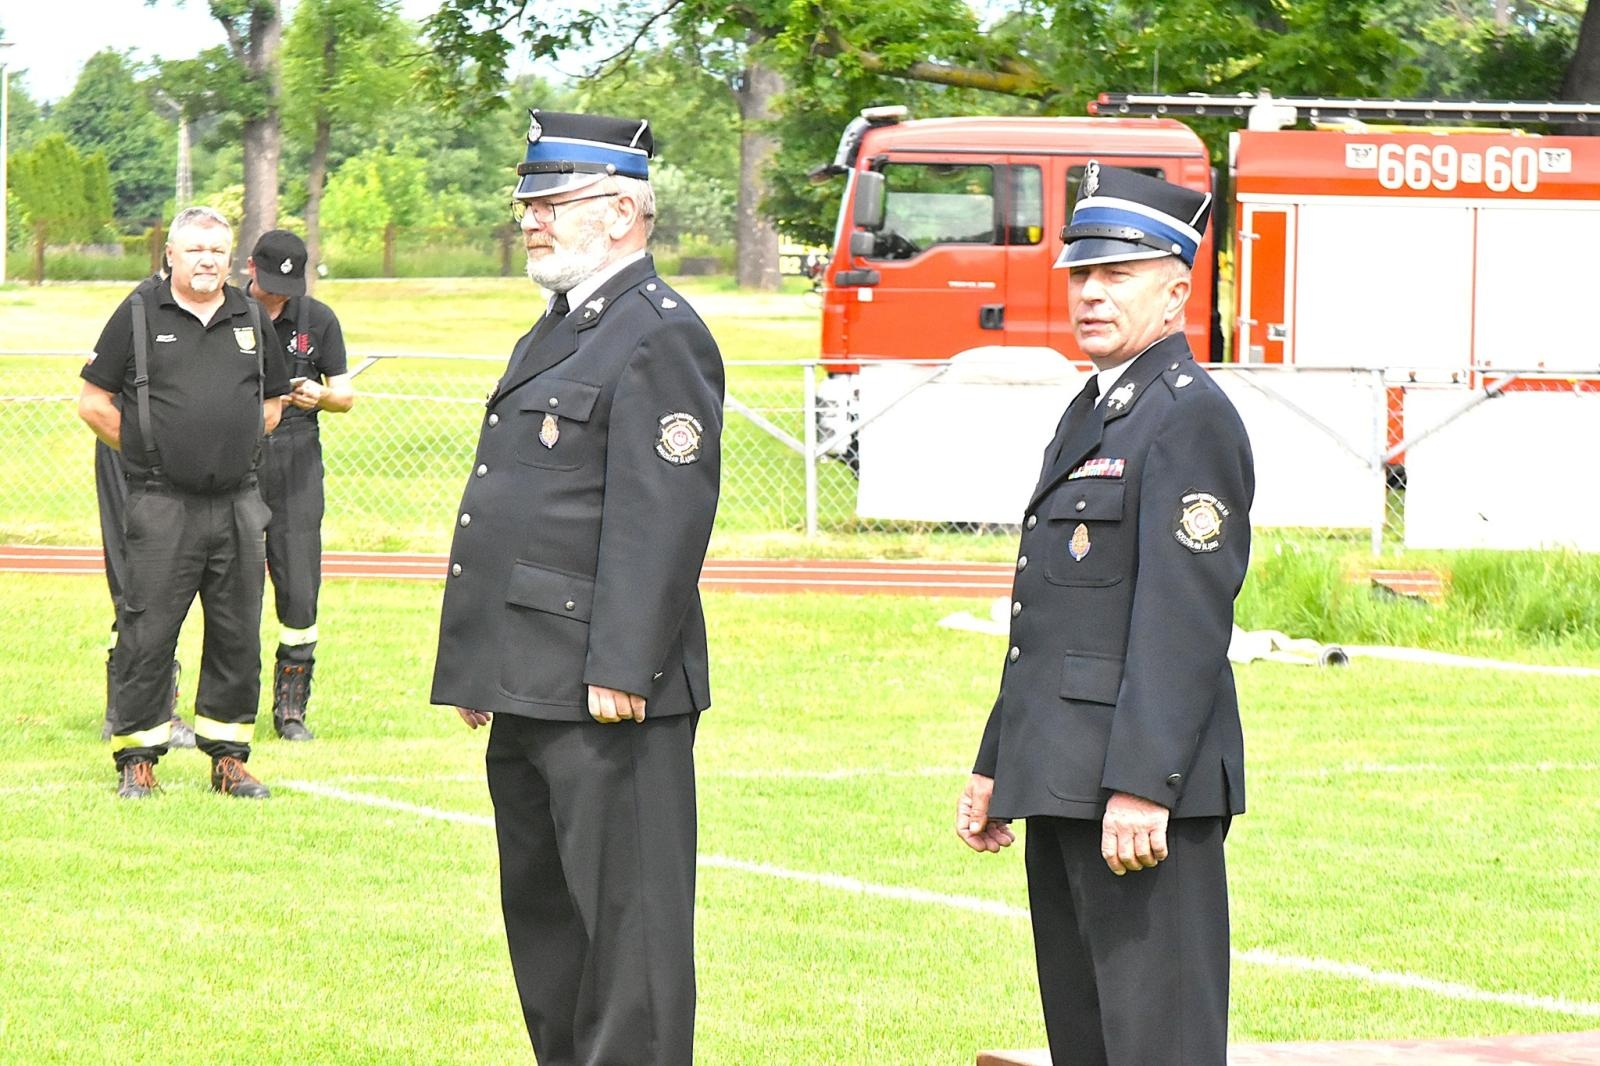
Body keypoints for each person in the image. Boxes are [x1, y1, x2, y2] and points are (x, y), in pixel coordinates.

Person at [431, 109, 723, 1065]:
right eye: (529, 203)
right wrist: (483, 666)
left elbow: (664, 519)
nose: (531, 220)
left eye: (552, 202)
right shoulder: (559, 328)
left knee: (628, 944)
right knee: (549, 933)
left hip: (607, 695)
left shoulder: (658, 333)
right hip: (530, 681)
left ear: (622, 213)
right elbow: (516, 509)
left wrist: (625, 666)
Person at [956, 163, 1255, 1065]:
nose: (1090, 292)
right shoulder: (1094, 412)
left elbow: (1183, 621)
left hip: (1135, 792)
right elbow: (1049, 620)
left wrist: (1142, 785)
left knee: (1155, 1042)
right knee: (1085, 1040)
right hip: (1060, 775)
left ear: (1176, 288)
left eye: (1117, 273)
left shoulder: (1188, 417)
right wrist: (994, 764)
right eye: (1081, 273)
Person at [78, 206, 291, 801]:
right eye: (195, 249)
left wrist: (229, 447)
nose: (207, 260)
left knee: (237, 632)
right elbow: (94, 403)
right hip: (162, 501)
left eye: (218, 251)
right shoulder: (139, 313)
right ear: (169, 254)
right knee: (147, 631)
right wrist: (152, 451)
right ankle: (137, 758)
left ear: (232, 259)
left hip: (238, 504)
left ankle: (228, 758)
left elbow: (272, 404)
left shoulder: (250, 314)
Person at [245, 229, 354, 742]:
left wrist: (319, 396)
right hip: (236, 453)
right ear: (250, 269)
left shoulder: (318, 319)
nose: (279, 294)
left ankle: (291, 709)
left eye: (288, 285)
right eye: (270, 283)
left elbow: (345, 395)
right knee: (231, 588)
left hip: (296, 458)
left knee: (299, 587)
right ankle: (230, 698)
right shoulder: (226, 313)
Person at [92, 273, 193, 748]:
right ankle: (134, 710)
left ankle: (139, 708)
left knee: (161, 582)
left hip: (173, 463)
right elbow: (96, 399)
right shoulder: (142, 308)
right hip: (132, 458)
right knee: (140, 581)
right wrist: (140, 454)